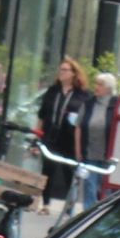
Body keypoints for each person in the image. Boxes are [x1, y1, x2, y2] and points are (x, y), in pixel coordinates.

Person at [34, 57, 89, 209]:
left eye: (65, 70)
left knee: (68, 171)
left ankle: (69, 205)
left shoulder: (82, 95)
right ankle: (45, 204)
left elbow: (84, 119)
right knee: (47, 171)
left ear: (73, 73)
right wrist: (37, 137)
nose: (62, 73)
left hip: (69, 138)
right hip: (50, 136)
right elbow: (42, 115)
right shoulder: (53, 91)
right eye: (61, 70)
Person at [72, 70, 119, 214]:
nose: (96, 87)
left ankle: (106, 214)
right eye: (96, 84)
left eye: (100, 84)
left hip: (107, 155)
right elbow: (79, 126)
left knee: (106, 187)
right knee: (89, 186)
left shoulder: (116, 104)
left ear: (109, 88)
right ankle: (89, 214)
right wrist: (78, 149)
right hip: (89, 152)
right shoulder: (88, 103)